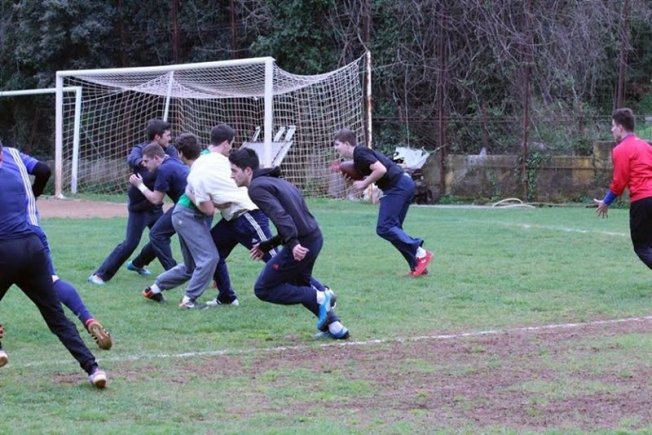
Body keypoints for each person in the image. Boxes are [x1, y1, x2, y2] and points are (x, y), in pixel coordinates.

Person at [0, 142, 107, 387]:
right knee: (57, 318)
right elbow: (40, 175)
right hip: (33, 248)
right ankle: (94, 369)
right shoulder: (15, 174)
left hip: (5, 252)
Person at [141, 125, 272, 308]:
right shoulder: (202, 166)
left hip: (187, 215)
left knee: (192, 265)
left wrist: (217, 200)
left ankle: (154, 289)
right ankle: (189, 300)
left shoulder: (207, 159)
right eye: (231, 144)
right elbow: (208, 208)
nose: (231, 149)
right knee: (209, 258)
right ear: (225, 143)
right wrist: (215, 201)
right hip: (188, 215)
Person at [229, 147, 349, 339]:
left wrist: (293, 243)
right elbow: (294, 218)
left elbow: (280, 215)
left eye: (234, 171)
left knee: (263, 289)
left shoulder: (256, 188)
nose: (231, 175)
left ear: (248, 170)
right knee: (299, 283)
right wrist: (268, 245)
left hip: (301, 243)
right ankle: (336, 327)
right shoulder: (277, 181)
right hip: (313, 238)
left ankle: (321, 295)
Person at [88, 119, 178, 285]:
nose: (170, 138)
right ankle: (100, 275)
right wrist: (143, 162)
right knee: (130, 244)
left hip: (155, 205)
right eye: (167, 135)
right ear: (157, 137)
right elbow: (132, 159)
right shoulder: (140, 149)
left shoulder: (170, 151)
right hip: (139, 207)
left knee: (160, 238)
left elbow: (173, 165)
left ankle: (139, 264)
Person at [333, 129, 433, 277]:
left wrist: (364, 183)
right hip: (403, 184)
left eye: (337, 144)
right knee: (394, 230)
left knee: (384, 227)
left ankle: (420, 252)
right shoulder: (359, 157)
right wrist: (353, 180)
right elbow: (371, 173)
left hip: (398, 187)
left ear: (347, 144)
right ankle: (418, 266)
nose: (335, 148)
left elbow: (381, 170)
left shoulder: (360, 153)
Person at [594, 107, 652, 269]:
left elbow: (619, 182)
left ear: (620, 128)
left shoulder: (620, 150)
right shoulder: (647, 147)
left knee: (642, 247)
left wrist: (606, 201)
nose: (612, 130)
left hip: (642, 200)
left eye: (613, 126)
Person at [128, 139, 190, 279]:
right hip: (194, 203)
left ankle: (173, 272)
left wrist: (139, 185)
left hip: (186, 206)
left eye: (146, 161)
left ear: (156, 158)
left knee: (157, 234)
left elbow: (156, 200)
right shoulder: (172, 161)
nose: (143, 164)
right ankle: (138, 263)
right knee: (162, 235)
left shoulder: (163, 169)